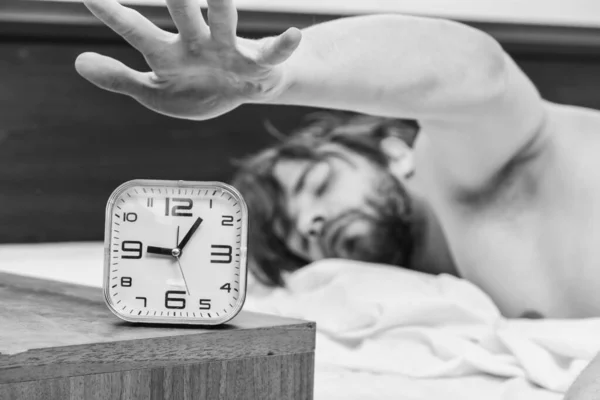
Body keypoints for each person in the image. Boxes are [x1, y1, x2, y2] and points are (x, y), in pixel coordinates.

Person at [74, 0, 600, 396]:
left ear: (394, 150)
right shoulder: (451, 294)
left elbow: (476, 70)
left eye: (317, 185)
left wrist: (281, 79)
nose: (313, 220)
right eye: (300, 237)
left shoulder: (471, 163)